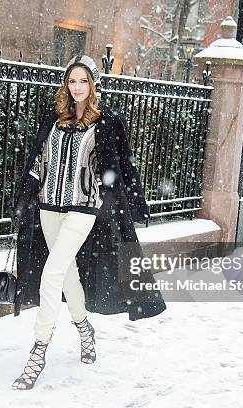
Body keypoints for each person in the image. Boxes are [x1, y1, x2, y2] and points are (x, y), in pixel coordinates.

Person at [9, 55, 166, 390]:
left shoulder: (106, 122)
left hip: (83, 209)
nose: (77, 88)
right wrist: (25, 199)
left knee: (51, 275)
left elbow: (118, 166)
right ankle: (84, 329)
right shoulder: (54, 118)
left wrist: (126, 202)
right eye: (72, 81)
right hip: (49, 206)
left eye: (83, 81)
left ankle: (38, 352)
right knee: (66, 275)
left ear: (93, 85)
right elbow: (38, 161)